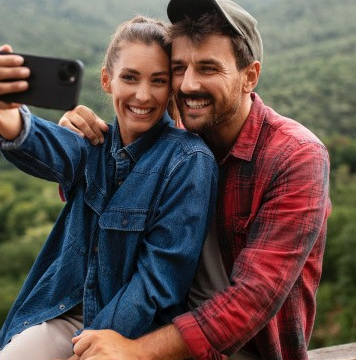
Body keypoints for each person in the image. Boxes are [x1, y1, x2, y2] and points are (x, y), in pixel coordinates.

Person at [57, 1, 332, 359]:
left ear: (250, 75)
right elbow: (102, 209)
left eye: (207, 68)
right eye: (178, 69)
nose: (188, 85)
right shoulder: (172, 139)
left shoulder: (295, 157)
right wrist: (80, 148)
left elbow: (252, 300)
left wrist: (136, 351)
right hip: (154, 334)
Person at [0, 16, 218, 360]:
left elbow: (158, 281)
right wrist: (7, 119)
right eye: (130, 77)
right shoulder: (93, 142)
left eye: (158, 81)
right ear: (107, 80)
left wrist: (92, 347)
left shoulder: (188, 160)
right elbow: (48, 146)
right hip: (67, 314)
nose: (143, 95)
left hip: (140, 332)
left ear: (171, 87)